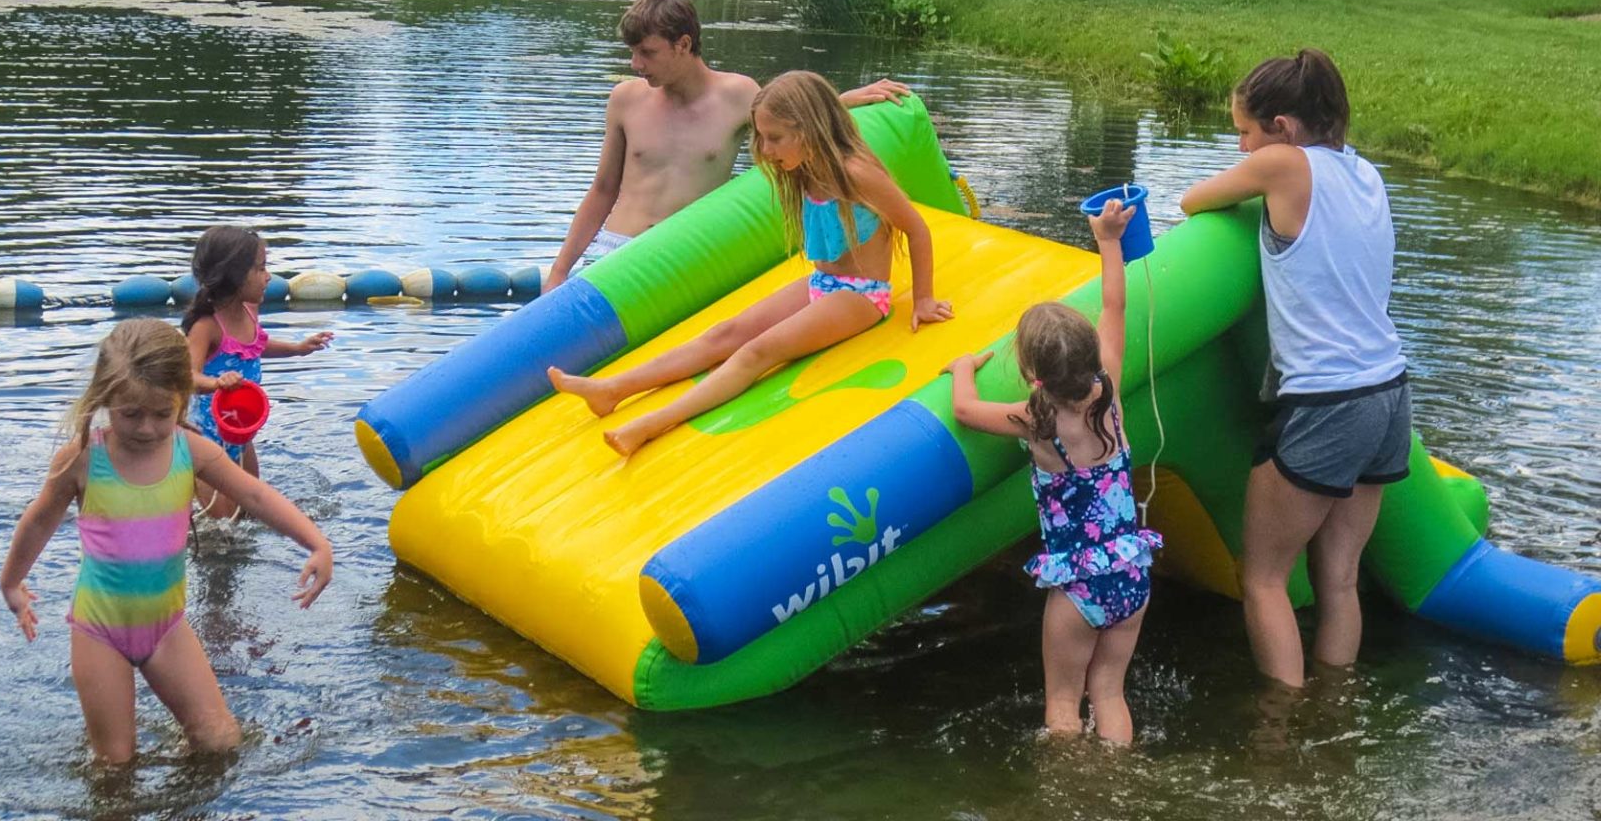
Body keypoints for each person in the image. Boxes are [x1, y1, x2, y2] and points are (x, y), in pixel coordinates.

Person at [549, 69, 953, 457]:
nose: (766, 149)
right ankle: (612, 389)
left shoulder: (855, 173)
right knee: (724, 334)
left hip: (863, 297)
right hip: (822, 284)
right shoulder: (805, 165)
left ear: (807, 130)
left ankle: (653, 424)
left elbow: (916, 229)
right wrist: (841, 101)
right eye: (761, 136)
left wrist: (923, 300)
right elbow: (818, 115)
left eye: (774, 138)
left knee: (757, 351)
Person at [0, 318, 333, 764]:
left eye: (162, 413)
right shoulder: (83, 457)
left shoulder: (188, 450)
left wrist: (317, 543)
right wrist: (11, 585)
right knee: (115, 765)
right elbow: (39, 521)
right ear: (104, 399)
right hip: (100, 631)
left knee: (220, 743)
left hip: (167, 629)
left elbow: (253, 493)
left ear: (183, 399)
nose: (146, 428)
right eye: (130, 413)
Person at [1180, 49, 1409, 689]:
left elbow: (1193, 200)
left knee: (1263, 578)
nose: (1241, 145)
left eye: (1244, 132)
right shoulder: (1367, 174)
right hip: (1388, 391)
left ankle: (1280, 738)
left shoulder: (1281, 165)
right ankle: (1332, 713)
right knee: (1338, 577)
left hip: (1325, 400)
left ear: (1282, 127)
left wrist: (1253, 174)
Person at [944, 199, 1162, 744]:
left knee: (1063, 703)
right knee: (1109, 691)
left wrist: (962, 370)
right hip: (1131, 571)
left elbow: (966, 412)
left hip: (1078, 586)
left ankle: (1067, 794)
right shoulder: (1108, 395)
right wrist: (1108, 240)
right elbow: (1114, 308)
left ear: (1030, 373)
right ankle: (1117, 777)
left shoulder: (1035, 420)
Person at [545, 0, 910, 292]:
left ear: (683, 44)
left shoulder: (738, 96)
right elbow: (602, 190)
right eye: (633, 52)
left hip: (682, 257)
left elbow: (792, 121)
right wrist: (561, 270)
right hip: (617, 251)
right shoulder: (625, 99)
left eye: (647, 53)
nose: (636, 64)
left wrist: (843, 100)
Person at [183, 225, 332, 519]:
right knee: (221, 528)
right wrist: (216, 383)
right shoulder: (207, 326)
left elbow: (255, 345)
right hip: (205, 443)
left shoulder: (250, 309)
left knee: (249, 515)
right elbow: (188, 375)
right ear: (234, 275)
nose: (269, 277)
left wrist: (298, 348)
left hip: (240, 436)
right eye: (261, 268)